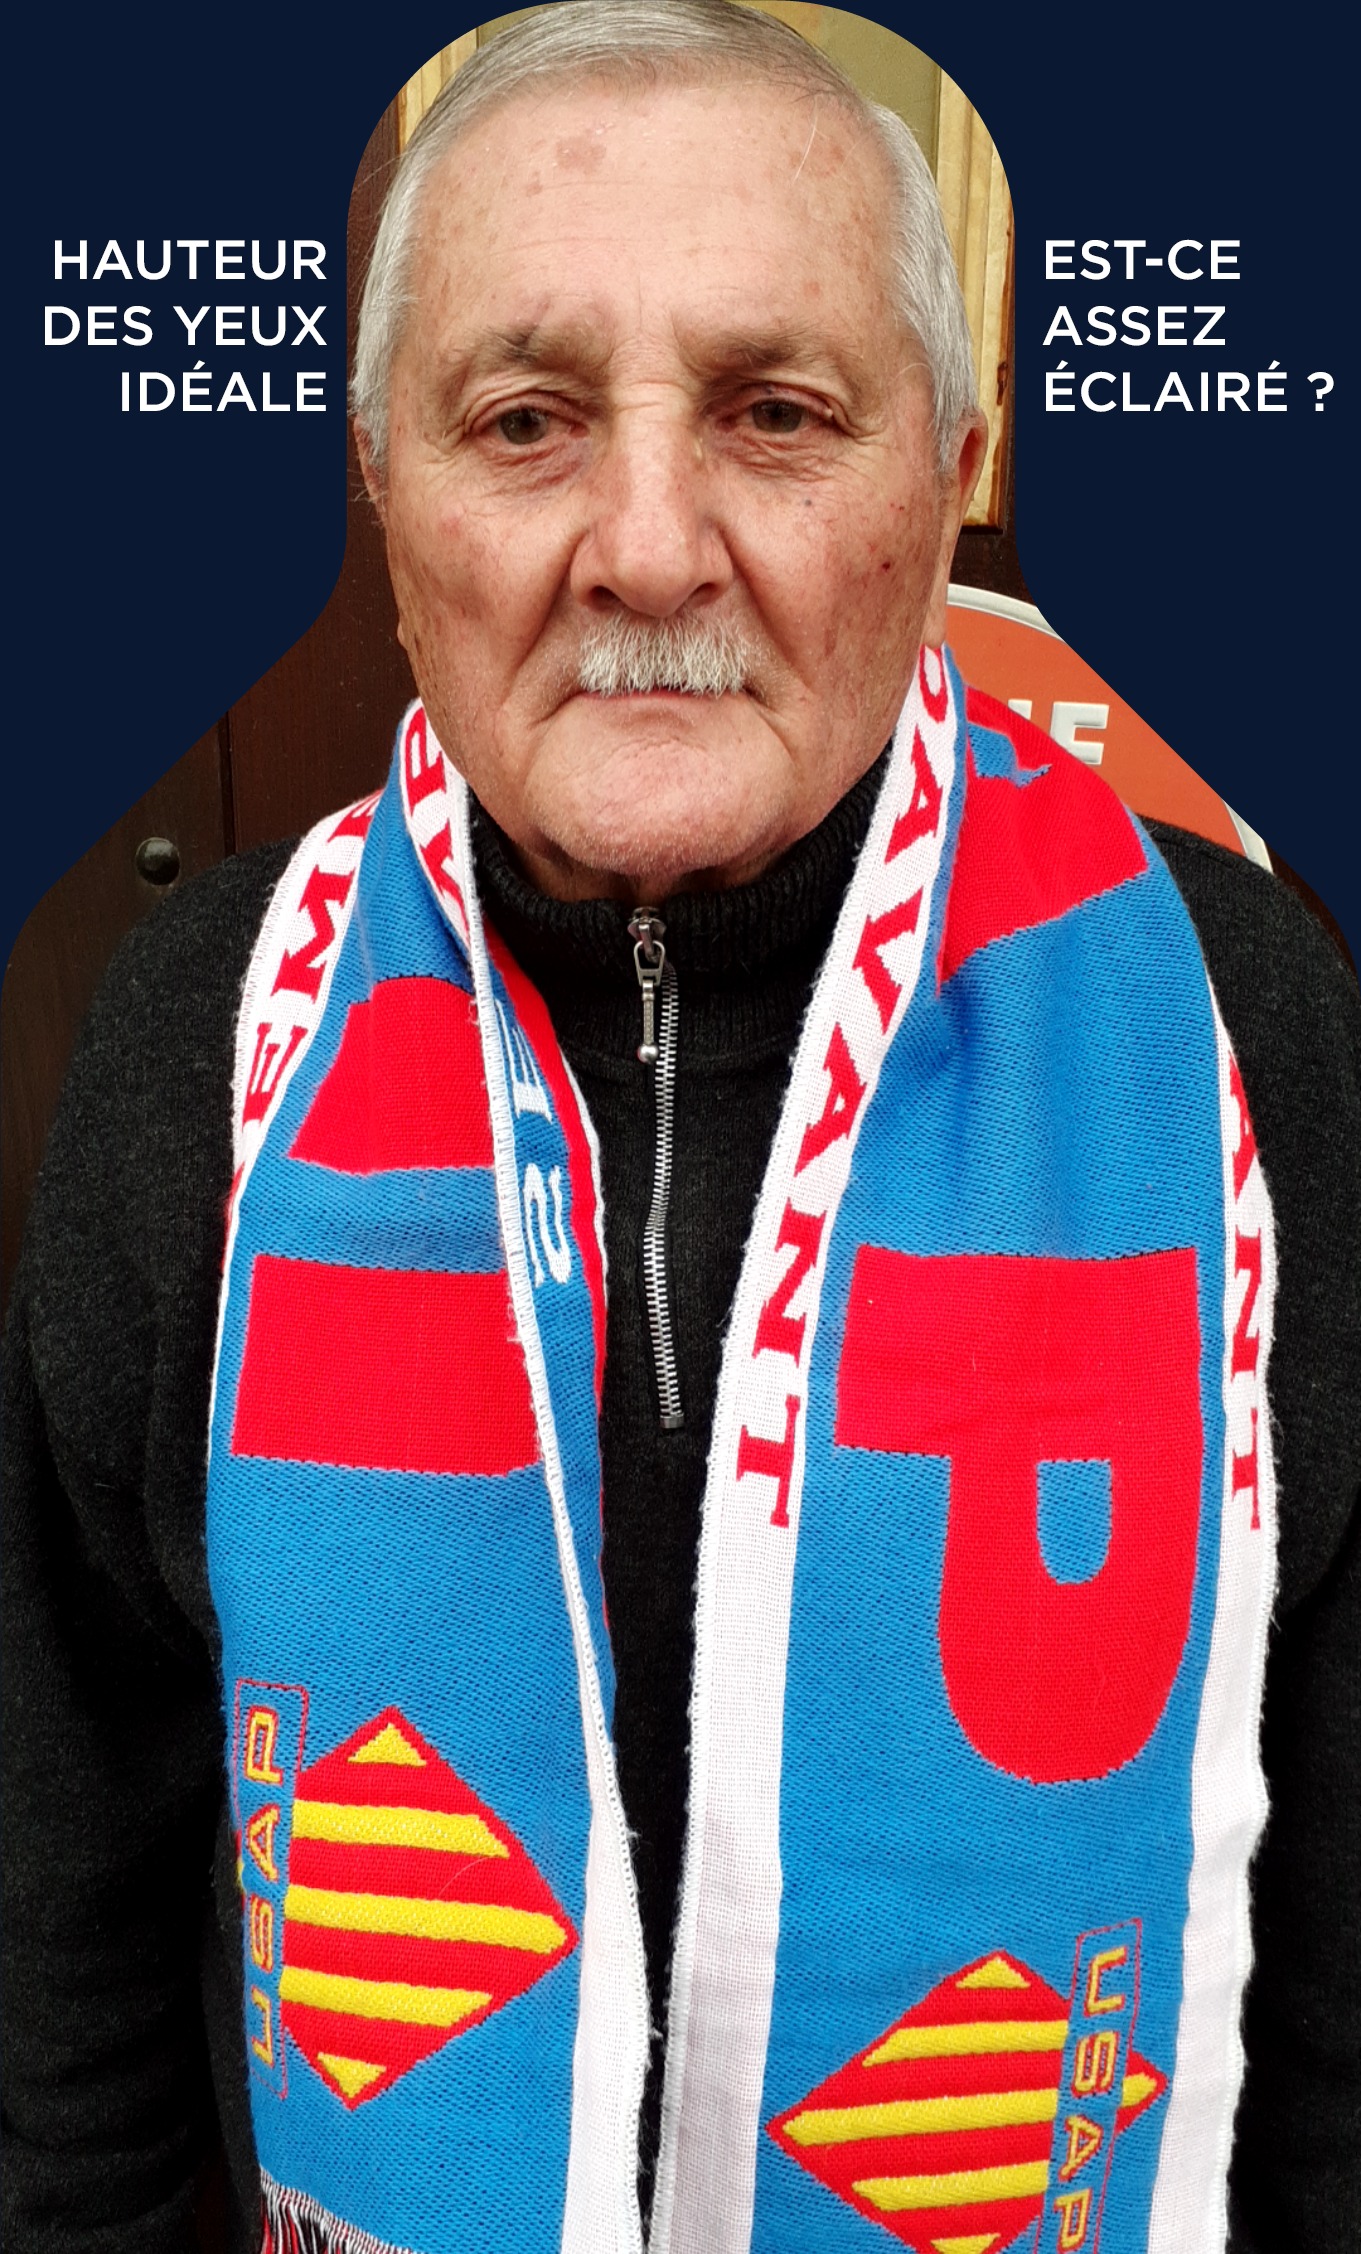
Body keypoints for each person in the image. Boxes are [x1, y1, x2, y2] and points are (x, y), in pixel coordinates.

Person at [3, 6, 1357, 2252]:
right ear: (384, 486)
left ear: (948, 465)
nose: (647, 550)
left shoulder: (1239, 1028)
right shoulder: (204, 1034)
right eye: (524, 420)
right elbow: (71, 1908)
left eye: (777, 413)